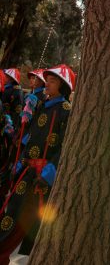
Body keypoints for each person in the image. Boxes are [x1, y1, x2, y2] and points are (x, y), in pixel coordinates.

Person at [0, 64, 75, 263]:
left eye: (52, 81)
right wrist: (20, 159)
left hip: (41, 174)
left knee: (25, 218)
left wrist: (49, 173)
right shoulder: (41, 104)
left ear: (63, 86)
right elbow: (31, 135)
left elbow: (64, 147)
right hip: (27, 168)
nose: (46, 84)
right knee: (13, 210)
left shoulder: (66, 111)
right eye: (47, 80)